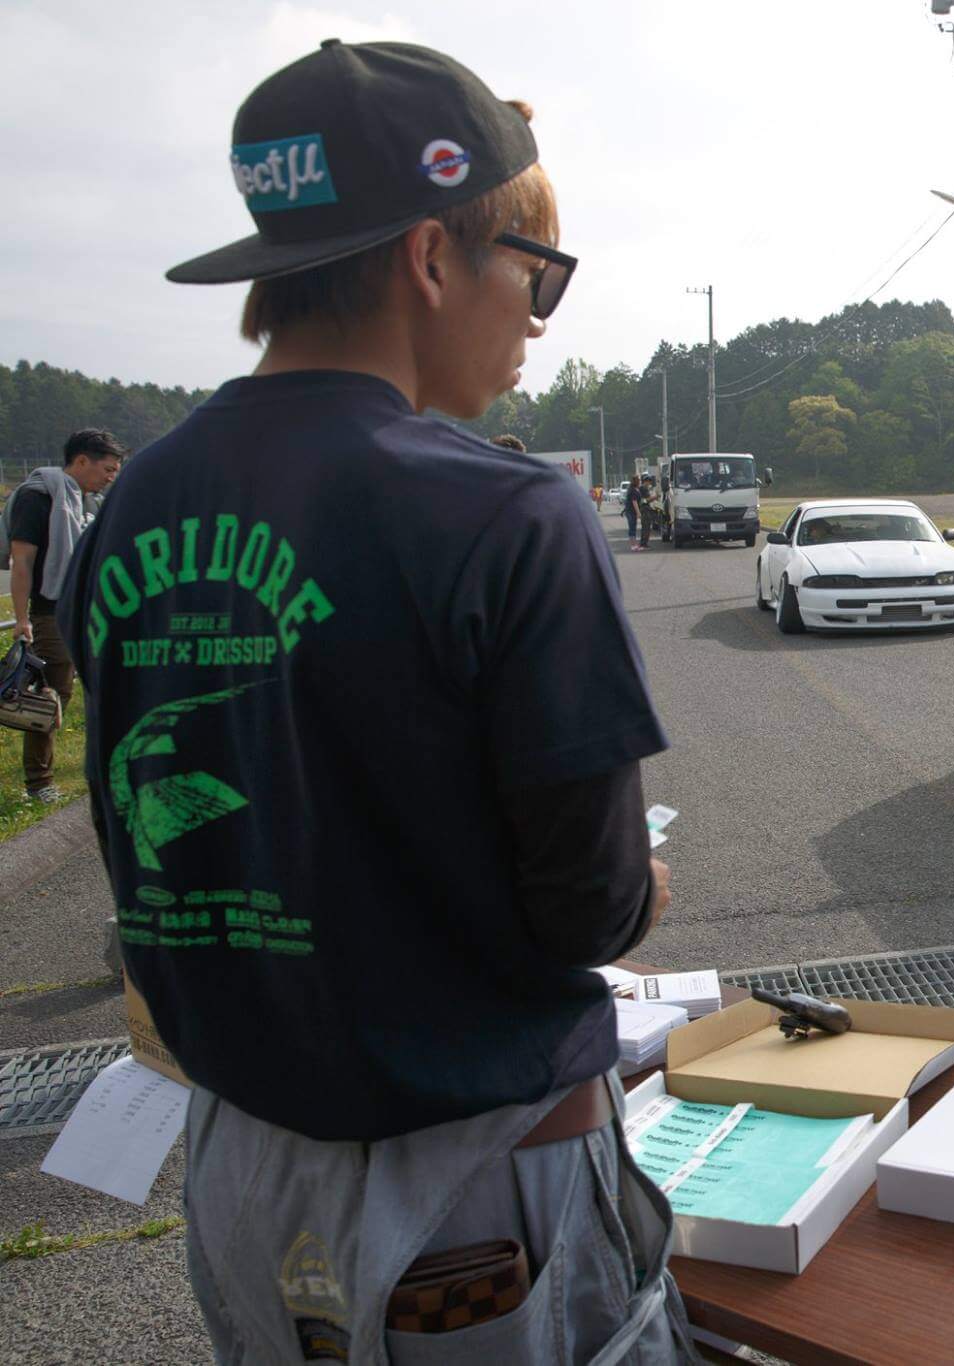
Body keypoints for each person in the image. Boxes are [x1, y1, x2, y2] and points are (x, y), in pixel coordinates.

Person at [62, 40, 692, 1362]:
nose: (536, 321)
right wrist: (644, 889)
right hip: (475, 1194)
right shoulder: (511, 514)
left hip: (237, 1165)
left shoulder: (136, 508)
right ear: (428, 257)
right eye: (537, 277)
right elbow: (588, 902)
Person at [5, 428, 124, 801]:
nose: (111, 478)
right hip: (48, 610)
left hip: (81, 608)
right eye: (107, 469)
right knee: (51, 695)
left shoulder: (85, 505)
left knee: (80, 690)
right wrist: (22, 619)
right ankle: (39, 784)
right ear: (81, 461)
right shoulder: (39, 497)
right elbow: (22, 561)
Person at [623, 472, 640, 545]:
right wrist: (638, 512)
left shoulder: (633, 489)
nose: (639, 481)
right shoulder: (633, 490)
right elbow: (634, 502)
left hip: (630, 511)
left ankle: (634, 543)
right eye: (638, 480)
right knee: (632, 527)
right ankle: (633, 544)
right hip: (631, 511)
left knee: (633, 527)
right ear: (636, 481)